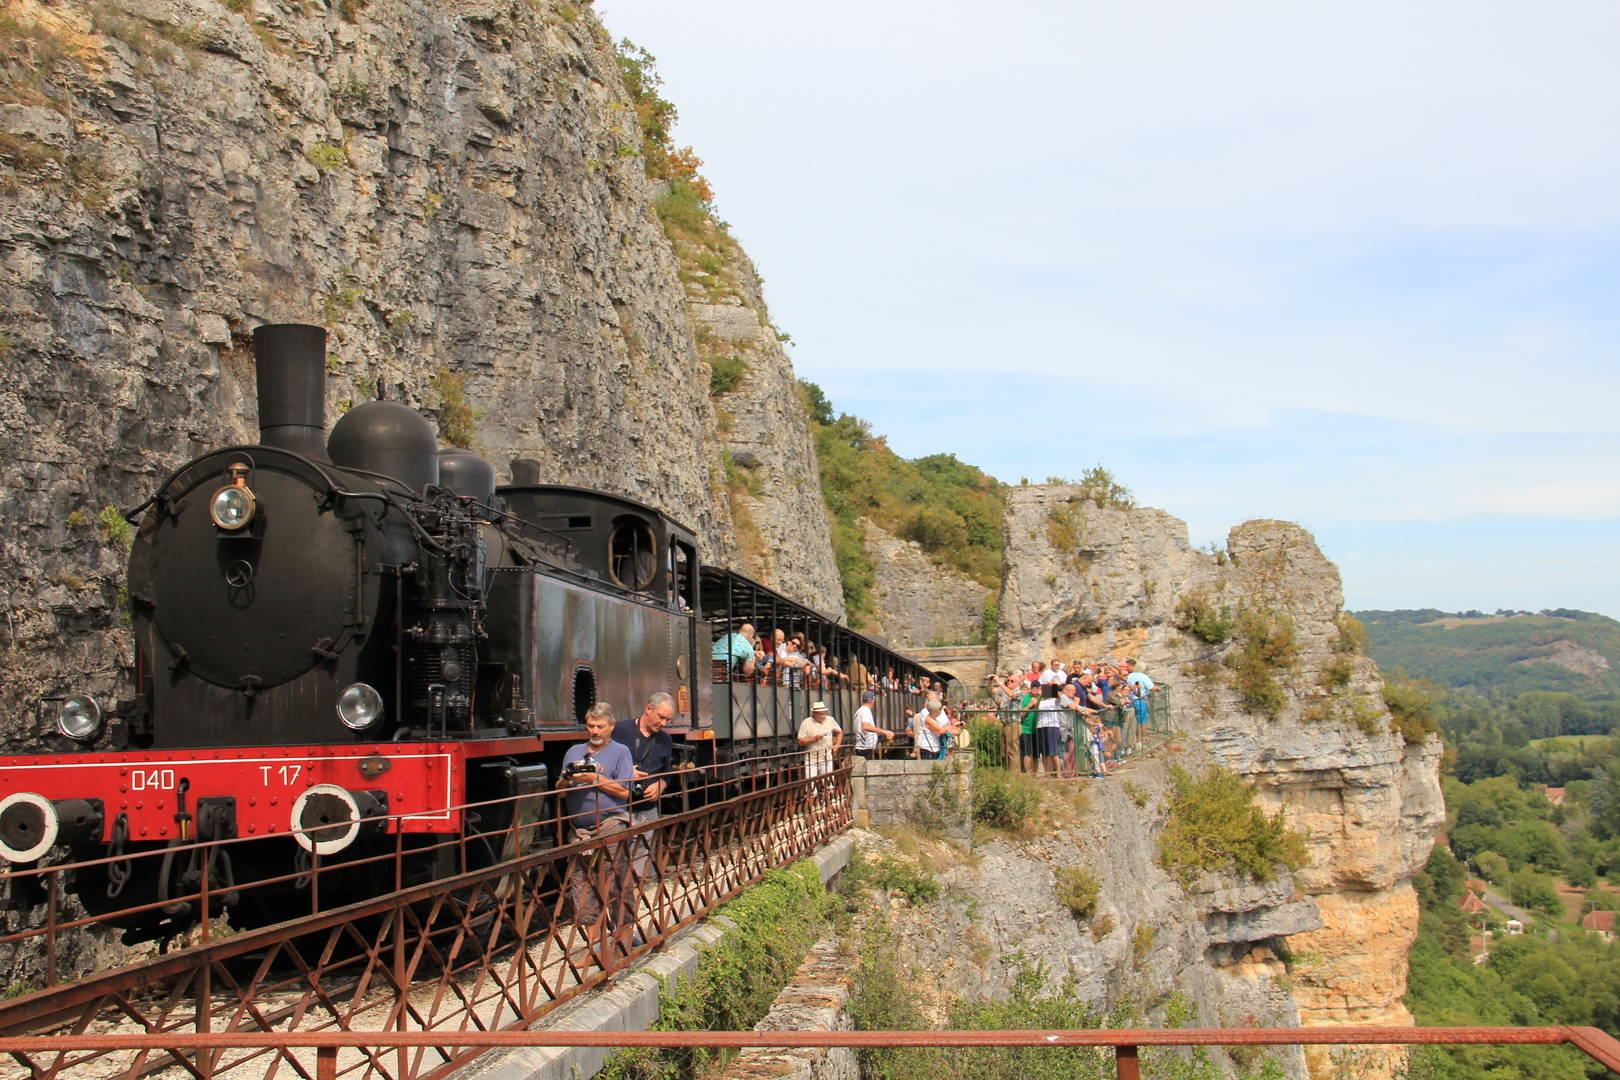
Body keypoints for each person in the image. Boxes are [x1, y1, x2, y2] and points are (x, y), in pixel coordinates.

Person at [558, 703, 635, 951]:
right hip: (580, 830)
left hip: (610, 823)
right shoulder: (573, 752)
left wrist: (594, 778)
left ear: (611, 726)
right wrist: (567, 779)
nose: (595, 730)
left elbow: (625, 792)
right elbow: (558, 791)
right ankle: (594, 948)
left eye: (600, 726)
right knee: (582, 884)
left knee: (616, 879)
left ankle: (623, 938)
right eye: (591, 725)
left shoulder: (621, 752)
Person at [797, 701, 843, 777]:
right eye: (819, 714)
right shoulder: (806, 723)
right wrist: (813, 739)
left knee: (828, 783)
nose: (822, 716)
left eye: (823, 714)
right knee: (811, 784)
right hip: (812, 759)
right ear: (814, 713)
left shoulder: (830, 720)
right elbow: (800, 741)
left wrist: (837, 745)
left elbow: (839, 732)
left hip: (827, 757)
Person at [852, 689, 894, 759]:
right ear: (872, 700)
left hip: (862, 746)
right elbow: (865, 726)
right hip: (865, 747)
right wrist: (884, 731)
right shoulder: (865, 710)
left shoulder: (859, 711)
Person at [913, 695, 951, 760]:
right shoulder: (925, 713)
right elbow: (940, 729)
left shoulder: (940, 711)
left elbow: (947, 724)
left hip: (937, 747)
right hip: (927, 748)